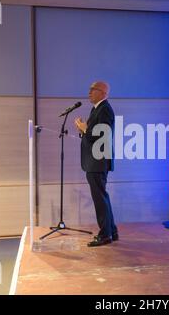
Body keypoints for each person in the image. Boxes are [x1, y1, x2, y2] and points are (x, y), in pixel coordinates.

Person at [74, 81, 118, 247]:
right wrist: (83, 131)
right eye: (90, 89)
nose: (89, 92)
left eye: (93, 89)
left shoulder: (105, 109)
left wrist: (86, 129)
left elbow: (103, 134)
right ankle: (111, 231)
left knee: (100, 198)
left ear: (103, 92)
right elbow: (93, 135)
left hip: (98, 161)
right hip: (94, 160)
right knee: (102, 197)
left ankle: (105, 234)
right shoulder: (96, 109)